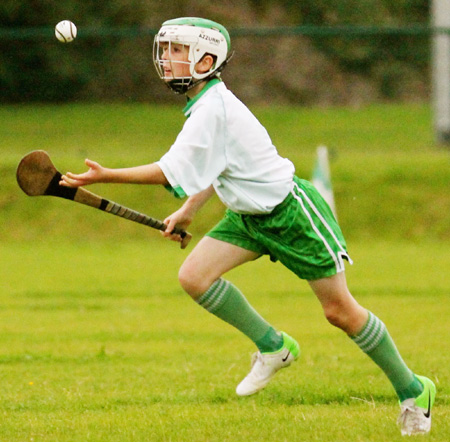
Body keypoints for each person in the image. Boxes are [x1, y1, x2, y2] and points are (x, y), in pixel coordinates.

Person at [60, 17, 435, 436]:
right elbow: (214, 167)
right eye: (165, 50)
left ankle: (414, 390)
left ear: (206, 60)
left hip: (292, 216)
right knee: (194, 277)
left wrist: (104, 174)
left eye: (177, 51)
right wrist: (189, 210)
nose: (167, 59)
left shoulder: (212, 110)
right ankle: (274, 346)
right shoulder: (205, 106)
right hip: (247, 218)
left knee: (340, 313)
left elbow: (169, 171)